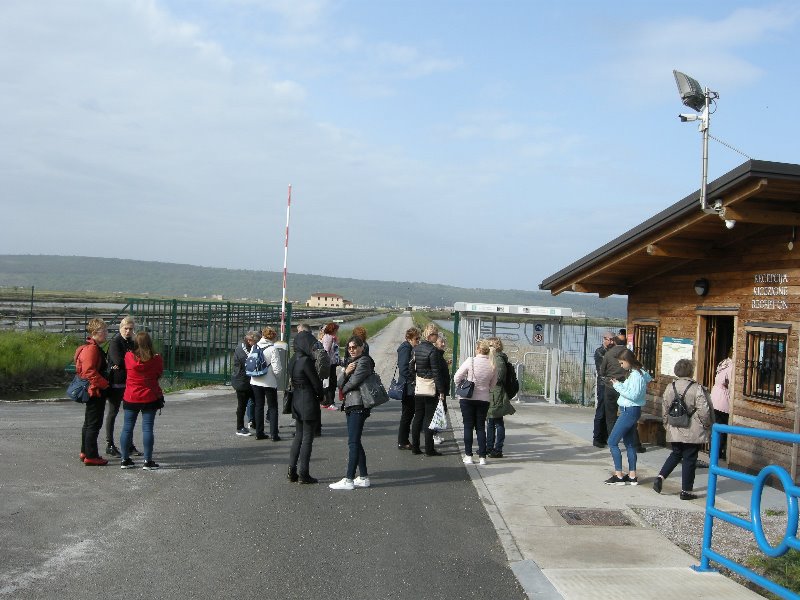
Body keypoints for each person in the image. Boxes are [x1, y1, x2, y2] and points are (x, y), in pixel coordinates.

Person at [653, 359, 712, 500]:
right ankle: (686, 490)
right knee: (690, 459)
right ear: (691, 371)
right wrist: (707, 425)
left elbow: (665, 408)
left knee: (676, 453)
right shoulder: (696, 388)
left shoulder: (670, 387)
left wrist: (666, 424)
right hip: (692, 428)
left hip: (674, 426)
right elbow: (704, 411)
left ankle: (660, 477)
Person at [330, 336, 374, 490]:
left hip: (358, 404)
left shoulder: (364, 361)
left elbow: (353, 382)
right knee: (355, 441)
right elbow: (339, 382)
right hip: (351, 404)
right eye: (349, 348)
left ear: (362, 347)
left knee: (353, 442)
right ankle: (363, 477)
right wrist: (346, 373)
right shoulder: (351, 363)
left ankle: (349, 479)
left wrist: (344, 384)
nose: (351, 350)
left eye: (354, 347)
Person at [604, 349, 652, 486]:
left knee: (612, 441)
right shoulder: (636, 373)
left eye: (622, 363)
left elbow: (633, 395)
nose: (621, 365)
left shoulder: (636, 375)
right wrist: (619, 384)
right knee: (630, 443)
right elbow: (632, 390)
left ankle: (618, 475)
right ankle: (632, 475)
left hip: (629, 411)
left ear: (628, 361)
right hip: (630, 410)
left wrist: (617, 386)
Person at [120, 331, 164, 470]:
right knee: (147, 428)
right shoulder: (156, 359)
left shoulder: (129, 356)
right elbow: (158, 374)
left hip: (131, 396)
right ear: (149, 343)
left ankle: (125, 459)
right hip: (149, 396)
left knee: (127, 428)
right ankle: (147, 461)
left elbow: (125, 369)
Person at [287, 328, 324, 484]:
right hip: (308, 399)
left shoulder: (293, 359)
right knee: (308, 438)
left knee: (299, 436)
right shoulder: (306, 361)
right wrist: (321, 396)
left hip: (296, 398)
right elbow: (316, 383)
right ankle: (304, 473)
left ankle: (292, 471)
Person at [454, 338, 498, 466]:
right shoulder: (492, 364)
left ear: (478, 349)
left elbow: (457, 377)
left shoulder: (471, 360)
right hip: (484, 399)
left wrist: (461, 385)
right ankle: (482, 457)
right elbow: (493, 384)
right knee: (480, 428)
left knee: (468, 426)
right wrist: (484, 388)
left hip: (467, 398)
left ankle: (468, 456)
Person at [75, 318, 110, 466]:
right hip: (95, 391)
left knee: (89, 422)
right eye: (104, 330)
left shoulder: (91, 347)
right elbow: (89, 371)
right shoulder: (92, 349)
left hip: (93, 389)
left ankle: (85, 451)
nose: (106, 333)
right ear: (95, 332)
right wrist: (105, 384)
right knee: (94, 424)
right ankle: (91, 455)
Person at [105, 316, 140, 457]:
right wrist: (128, 362)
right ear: (120, 329)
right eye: (126, 328)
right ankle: (110, 444)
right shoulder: (115, 342)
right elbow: (118, 360)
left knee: (130, 414)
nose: (128, 331)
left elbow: (139, 359)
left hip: (130, 382)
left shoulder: (133, 342)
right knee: (113, 412)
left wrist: (126, 363)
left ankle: (129, 444)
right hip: (116, 383)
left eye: (131, 329)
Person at [411, 323, 443, 456]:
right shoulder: (433, 351)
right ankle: (429, 449)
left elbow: (411, 367)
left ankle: (415, 447)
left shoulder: (416, 348)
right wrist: (441, 391)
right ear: (431, 335)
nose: (437, 337)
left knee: (418, 416)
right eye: (436, 334)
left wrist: (415, 379)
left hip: (419, 386)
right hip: (430, 386)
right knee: (429, 419)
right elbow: (436, 372)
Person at [250, 326, 283, 441]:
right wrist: (276, 378)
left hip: (255, 380)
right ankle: (274, 434)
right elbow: (277, 369)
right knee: (272, 407)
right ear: (273, 336)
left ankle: (259, 433)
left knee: (259, 406)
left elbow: (250, 361)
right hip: (269, 382)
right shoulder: (273, 349)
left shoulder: (255, 346)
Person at [486, 337, 515, 458]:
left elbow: (499, 378)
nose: (488, 348)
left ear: (495, 347)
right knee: (491, 421)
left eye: (490, 346)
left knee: (497, 421)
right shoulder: (495, 358)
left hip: (496, 393)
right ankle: (490, 447)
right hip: (493, 393)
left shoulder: (498, 359)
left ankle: (497, 449)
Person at [396, 327, 420, 450]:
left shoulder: (409, 347)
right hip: (407, 387)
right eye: (416, 339)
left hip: (409, 386)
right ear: (409, 338)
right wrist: (414, 378)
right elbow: (404, 368)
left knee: (408, 414)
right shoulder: (405, 348)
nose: (418, 341)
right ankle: (402, 441)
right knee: (407, 414)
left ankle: (403, 440)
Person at [231, 330, 259, 437]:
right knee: (242, 405)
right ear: (249, 340)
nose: (256, 343)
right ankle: (239, 427)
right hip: (242, 381)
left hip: (248, 380)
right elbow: (248, 362)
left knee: (255, 402)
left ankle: (253, 422)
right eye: (255, 341)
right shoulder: (242, 349)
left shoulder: (248, 347)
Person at [592, 332, 616, 448]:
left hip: (612, 385)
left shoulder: (613, 351)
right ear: (604, 339)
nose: (611, 342)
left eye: (612, 340)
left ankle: (605, 436)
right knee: (601, 411)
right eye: (609, 340)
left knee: (609, 412)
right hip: (603, 385)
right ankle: (597, 437)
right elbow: (603, 370)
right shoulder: (599, 352)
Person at [710, 348, 732, 460]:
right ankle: (717, 454)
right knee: (722, 429)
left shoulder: (723, 363)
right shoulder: (731, 366)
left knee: (715, 427)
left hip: (714, 398)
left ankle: (712, 451)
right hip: (723, 401)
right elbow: (731, 384)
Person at [432, 332, 451, 446]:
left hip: (440, 388)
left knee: (441, 411)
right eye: (441, 342)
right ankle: (434, 435)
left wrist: (445, 364)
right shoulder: (436, 355)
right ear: (435, 343)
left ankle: (435, 434)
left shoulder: (439, 354)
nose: (443, 344)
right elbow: (437, 373)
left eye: (444, 342)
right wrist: (441, 391)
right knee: (439, 411)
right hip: (439, 389)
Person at [321, 322, 340, 407]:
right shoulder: (328, 337)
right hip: (329, 364)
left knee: (329, 383)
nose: (337, 331)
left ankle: (326, 401)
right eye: (336, 330)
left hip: (331, 363)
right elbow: (326, 351)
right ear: (333, 330)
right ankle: (330, 402)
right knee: (331, 383)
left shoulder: (331, 337)